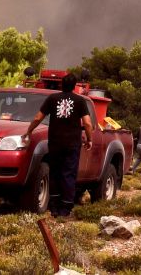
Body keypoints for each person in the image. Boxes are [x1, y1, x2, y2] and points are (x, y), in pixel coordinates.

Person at [23, 73, 93, 217]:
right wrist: (89, 138)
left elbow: (38, 117)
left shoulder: (52, 99)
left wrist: (29, 131)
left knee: (54, 172)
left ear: (61, 84)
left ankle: (53, 207)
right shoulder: (80, 101)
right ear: (75, 86)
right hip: (72, 144)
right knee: (69, 174)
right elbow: (87, 122)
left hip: (55, 142)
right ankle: (65, 208)